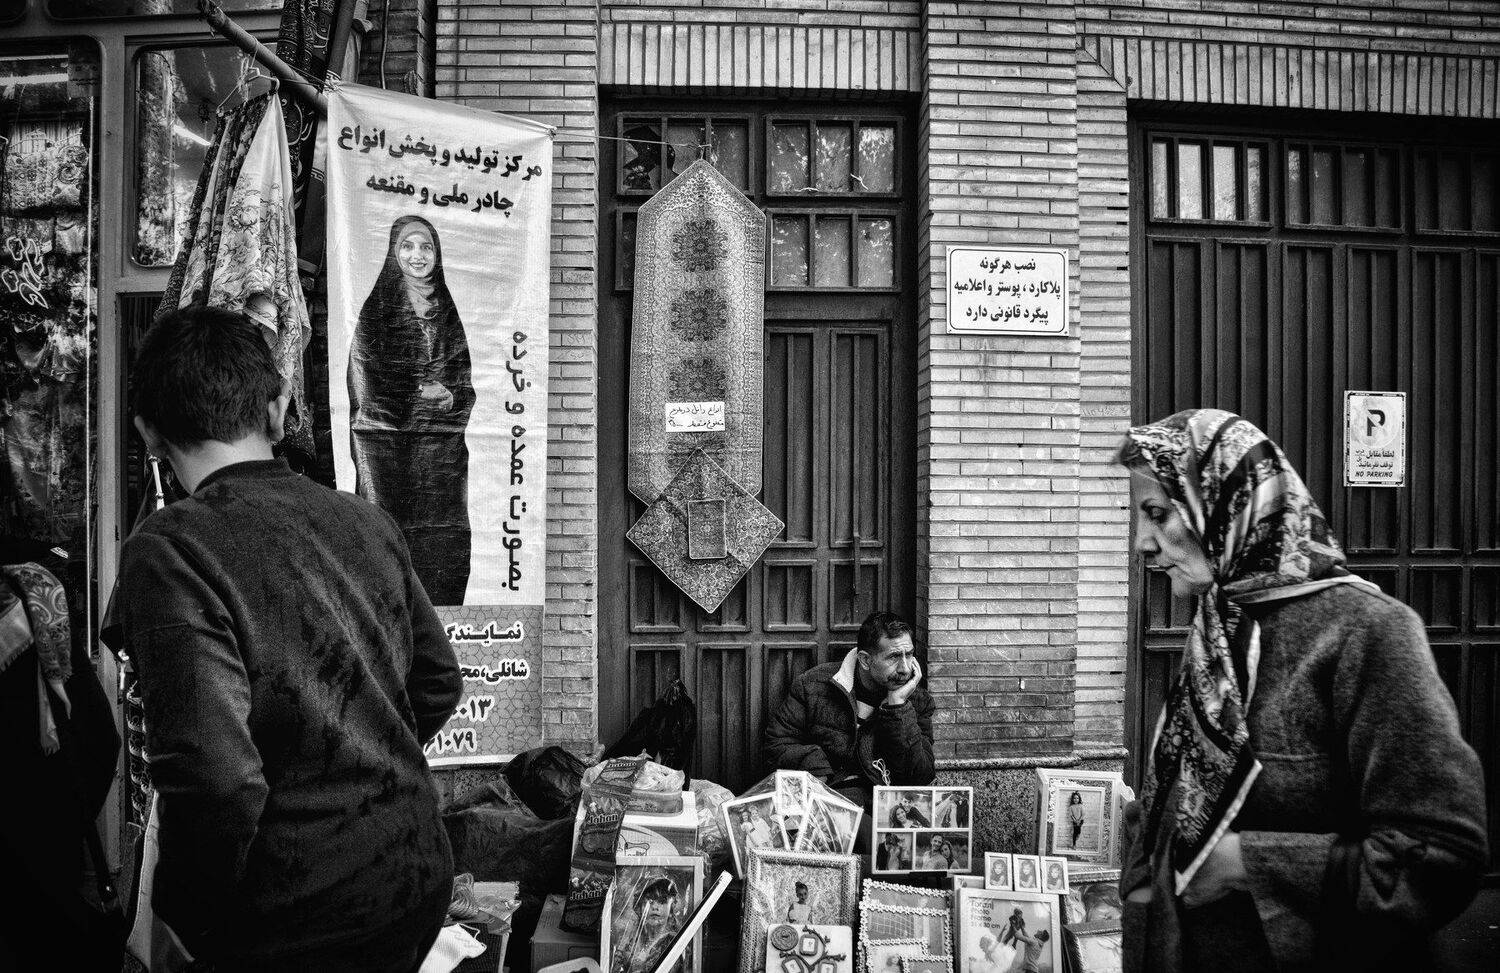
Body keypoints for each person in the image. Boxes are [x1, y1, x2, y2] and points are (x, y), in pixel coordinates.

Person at [117, 306, 462, 971]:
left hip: (294, 916)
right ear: (276, 411)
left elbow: (215, 777)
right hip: (413, 873)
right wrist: (359, 758)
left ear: (149, 435)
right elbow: (440, 680)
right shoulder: (364, 519)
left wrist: (182, 918)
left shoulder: (169, 550)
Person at [1116, 409, 1488, 973]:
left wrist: (1246, 863)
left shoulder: (1366, 631)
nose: (1144, 542)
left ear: (1230, 504)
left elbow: (1440, 858)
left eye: (1158, 513)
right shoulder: (1220, 628)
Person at [349, 214, 475, 606]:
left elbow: (464, 379)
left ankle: (443, 627)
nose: (418, 255)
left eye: (426, 247)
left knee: (443, 541)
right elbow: (364, 379)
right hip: (388, 455)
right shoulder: (378, 310)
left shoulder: (449, 311)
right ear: (393, 252)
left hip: (441, 458)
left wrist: (451, 397)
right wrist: (409, 396)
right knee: (391, 537)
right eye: (408, 246)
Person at [763, 611, 935, 820]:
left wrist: (898, 707)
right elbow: (778, 742)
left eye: (909, 655)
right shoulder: (813, 685)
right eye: (894, 657)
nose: (906, 668)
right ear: (864, 660)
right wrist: (818, 770)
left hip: (884, 810)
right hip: (825, 800)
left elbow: (920, 776)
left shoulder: (917, 701)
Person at [610, 877, 680, 973]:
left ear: (671, 909)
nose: (655, 907)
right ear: (639, 907)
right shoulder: (630, 940)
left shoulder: (675, 942)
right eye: (650, 901)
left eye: (662, 902)